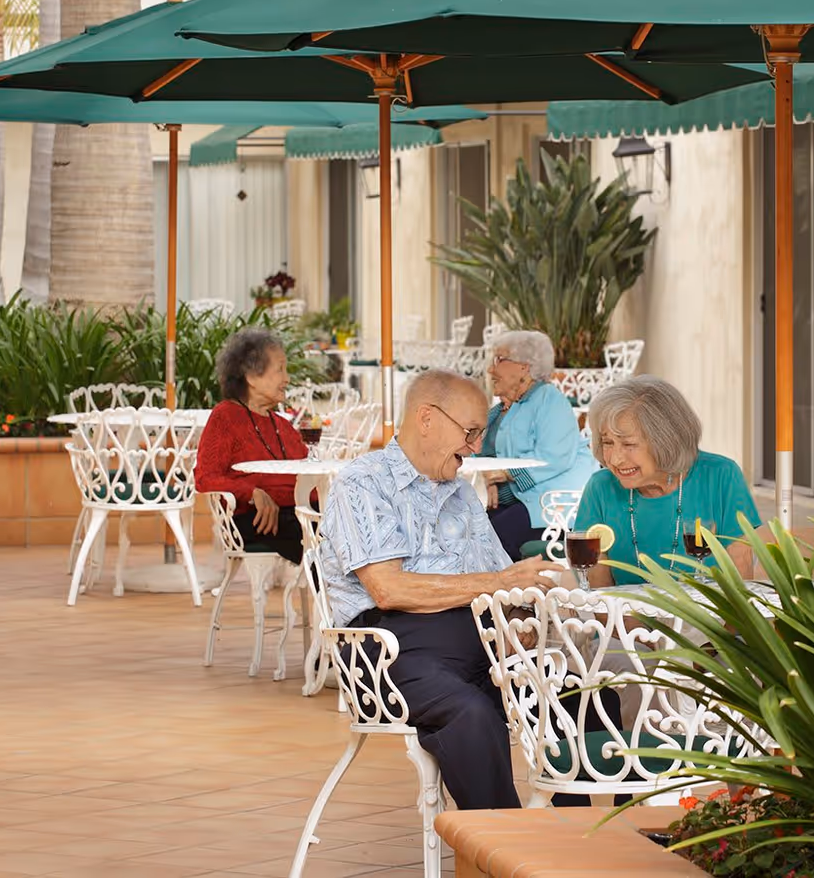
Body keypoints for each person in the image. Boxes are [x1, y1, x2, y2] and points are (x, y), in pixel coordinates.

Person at [317, 369, 552, 810]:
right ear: (426, 418)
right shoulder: (363, 482)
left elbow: (502, 583)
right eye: (470, 431)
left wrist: (518, 619)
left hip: (474, 641)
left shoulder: (461, 493)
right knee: (472, 715)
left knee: (575, 697)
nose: (476, 446)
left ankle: (582, 845)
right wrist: (501, 584)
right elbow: (388, 590)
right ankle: (501, 852)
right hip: (385, 647)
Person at [573, 375, 760, 585]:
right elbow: (599, 590)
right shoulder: (601, 488)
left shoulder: (721, 476)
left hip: (706, 617)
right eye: (607, 442)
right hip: (627, 616)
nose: (615, 459)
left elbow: (741, 573)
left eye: (629, 445)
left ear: (665, 441)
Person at [479, 329, 596, 558]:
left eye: (499, 360)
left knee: (489, 539)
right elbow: (481, 450)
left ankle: (509, 590)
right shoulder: (509, 408)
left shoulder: (549, 400)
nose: (491, 369)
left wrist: (502, 473)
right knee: (473, 532)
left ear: (524, 366)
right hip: (519, 501)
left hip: (550, 504)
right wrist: (488, 478)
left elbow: (553, 457)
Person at [194, 327, 309, 562]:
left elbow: (307, 474)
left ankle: (344, 595)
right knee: (323, 538)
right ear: (252, 376)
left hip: (296, 514)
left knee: (345, 528)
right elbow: (205, 478)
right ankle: (340, 597)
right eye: (280, 369)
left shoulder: (283, 426)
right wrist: (252, 492)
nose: (287, 378)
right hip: (251, 519)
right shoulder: (225, 417)